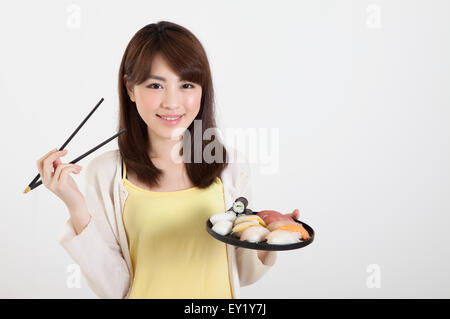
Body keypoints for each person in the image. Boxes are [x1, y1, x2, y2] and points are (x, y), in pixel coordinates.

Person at [36, 21, 277, 299]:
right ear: (130, 88)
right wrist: (75, 205)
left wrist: (269, 234)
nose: (172, 103)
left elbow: (245, 274)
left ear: (202, 90)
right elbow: (114, 288)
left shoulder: (229, 165)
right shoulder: (106, 173)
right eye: (155, 85)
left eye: (187, 84)